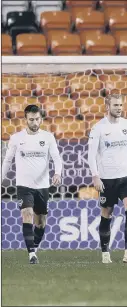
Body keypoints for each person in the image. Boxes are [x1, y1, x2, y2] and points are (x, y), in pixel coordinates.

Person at [87, 94, 127, 264]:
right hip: (107, 179)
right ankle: (105, 253)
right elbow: (91, 155)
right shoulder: (98, 128)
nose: (119, 108)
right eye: (115, 105)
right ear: (107, 106)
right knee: (107, 213)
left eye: (121, 105)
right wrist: (95, 176)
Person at [1, 104, 63, 264]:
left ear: (41, 118)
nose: (35, 122)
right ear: (26, 120)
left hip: (42, 186)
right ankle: (32, 254)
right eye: (31, 120)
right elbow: (7, 160)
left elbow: (56, 158)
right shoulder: (16, 138)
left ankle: (33, 247)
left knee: (41, 222)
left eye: (37, 119)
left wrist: (57, 173)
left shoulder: (48, 137)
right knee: (27, 214)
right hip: (24, 186)